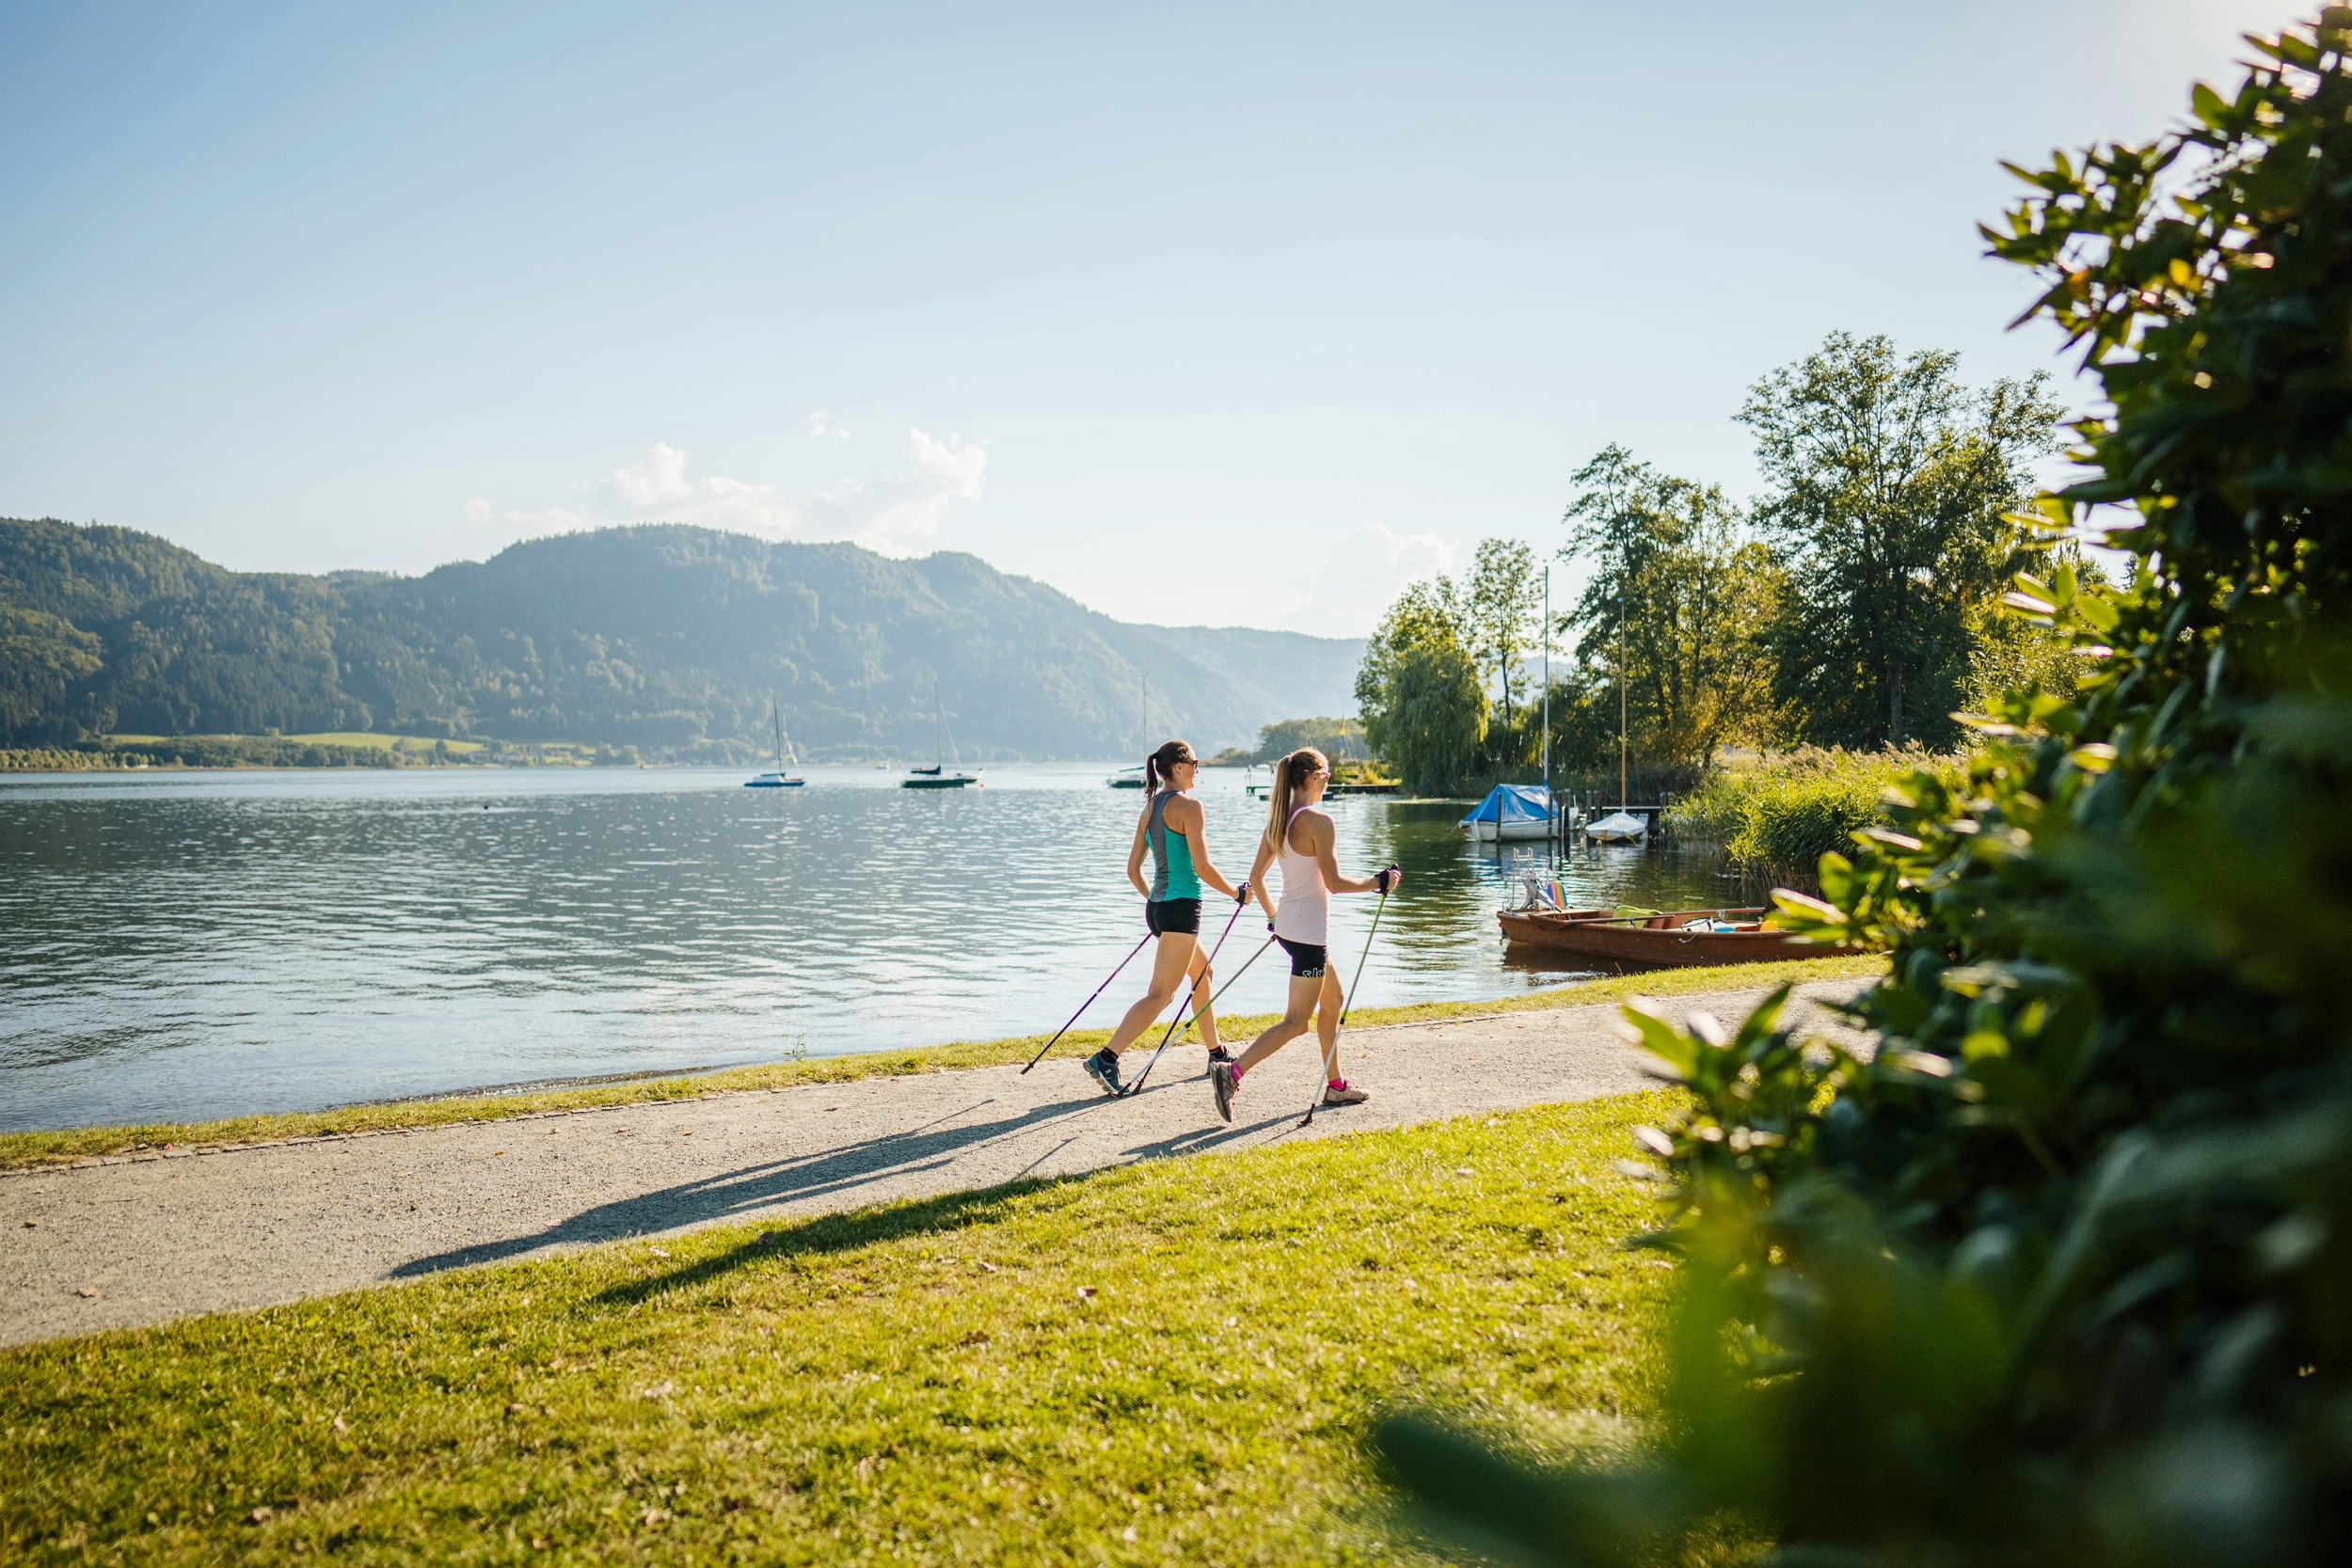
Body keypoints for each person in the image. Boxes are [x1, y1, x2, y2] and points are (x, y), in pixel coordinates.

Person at [1209, 747, 1398, 1121]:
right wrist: (1379, 882)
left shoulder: (1279, 820)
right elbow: (1334, 884)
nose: (1328, 782)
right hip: (1309, 936)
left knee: (1334, 999)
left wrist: (1274, 919)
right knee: (1297, 1022)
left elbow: (1256, 880)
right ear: (1313, 777)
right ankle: (1231, 1073)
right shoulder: (1319, 822)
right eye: (1327, 776)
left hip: (1290, 930)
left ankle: (1336, 1086)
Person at [1081, 739, 1245, 1096]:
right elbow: (1201, 867)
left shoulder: (1150, 807)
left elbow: (1132, 871)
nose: (1199, 769)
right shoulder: (1190, 807)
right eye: (1196, 762)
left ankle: (1216, 1055)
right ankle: (1106, 1058)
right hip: (1181, 908)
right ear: (1179, 767)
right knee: (1161, 994)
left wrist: (1156, 901)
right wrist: (1236, 892)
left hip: (1159, 908)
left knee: (1203, 974)